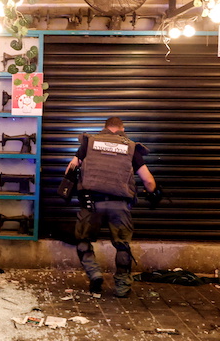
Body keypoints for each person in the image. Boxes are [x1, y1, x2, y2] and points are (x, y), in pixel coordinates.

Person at [65, 116, 157, 298]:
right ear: (122, 129)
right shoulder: (131, 147)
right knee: (122, 246)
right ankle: (122, 287)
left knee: (83, 241)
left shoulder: (88, 143)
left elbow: (70, 169)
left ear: (105, 128)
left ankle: (95, 274)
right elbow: (148, 180)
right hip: (119, 206)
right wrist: (151, 192)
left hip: (91, 204)